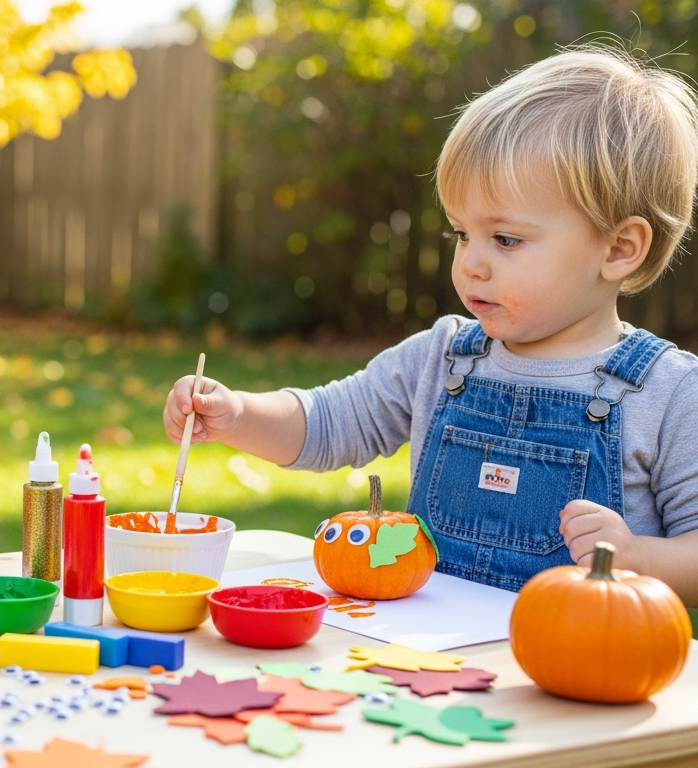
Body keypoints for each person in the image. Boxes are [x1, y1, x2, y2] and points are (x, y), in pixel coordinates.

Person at [163, 47, 698, 603]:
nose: (471, 262)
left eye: (506, 239)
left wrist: (640, 558)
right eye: (461, 234)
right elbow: (330, 422)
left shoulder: (669, 394)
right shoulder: (442, 358)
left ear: (619, 248)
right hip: (429, 668)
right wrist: (239, 414)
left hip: (572, 674)